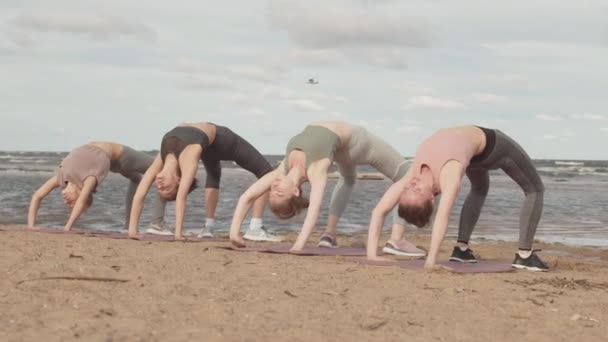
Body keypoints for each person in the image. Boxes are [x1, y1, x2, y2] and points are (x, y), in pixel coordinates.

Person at [367, 125, 548, 271]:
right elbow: (442, 217)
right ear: (431, 198)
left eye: (408, 189)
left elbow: (379, 211)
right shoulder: (450, 174)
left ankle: (461, 250)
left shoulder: (413, 176)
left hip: (473, 152)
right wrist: (431, 260)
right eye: (417, 190)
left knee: (479, 188)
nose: (412, 184)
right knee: (535, 189)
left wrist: (371, 254)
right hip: (496, 147)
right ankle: (524, 254)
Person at [230, 121, 425, 256]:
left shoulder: (282, 170)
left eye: (272, 192)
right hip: (358, 143)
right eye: (279, 193)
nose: (273, 187)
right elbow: (314, 210)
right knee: (407, 174)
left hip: (341, 148)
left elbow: (246, 197)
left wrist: (234, 233)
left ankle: (329, 234)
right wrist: (298, 245)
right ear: (296, 191)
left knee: (348, 179)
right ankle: (397, 239)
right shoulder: (316, 169)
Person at [128, 122, 281, 241]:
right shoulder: (188, 159)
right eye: (166, 188)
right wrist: (178, 235)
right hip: (213, 143)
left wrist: (132, 230)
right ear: (178, 180)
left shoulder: (162, 156)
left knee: (262, 173)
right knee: (266, 173)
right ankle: (220, 227)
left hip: (221, 141)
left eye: (160, 189)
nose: (159, 185)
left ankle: (250, 227)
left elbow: (139, 195)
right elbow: (181, 197)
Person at [28, 142, 166, 230]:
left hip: (120, 155)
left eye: (70, 202)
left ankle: (153, 224)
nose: (66, 201)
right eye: (70, 203)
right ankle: (152, 225)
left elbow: (37, 196)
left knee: (156, 172)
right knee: (160, 172)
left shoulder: (61, 178)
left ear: (81, 192)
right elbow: (81, 200)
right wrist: (31, 226)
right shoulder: (89, 179)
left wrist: (66, 227)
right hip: (108, 161)